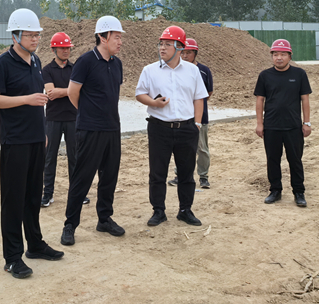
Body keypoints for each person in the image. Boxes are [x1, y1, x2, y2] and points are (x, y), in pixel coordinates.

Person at [0, 9, 64, 279]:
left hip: (36, 139)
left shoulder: (36, 61)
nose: (35, 39)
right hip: (15, 141)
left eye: (37, 35)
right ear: (15, 36)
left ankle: (35, 244)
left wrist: (43, 131)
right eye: (30, 35)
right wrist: (26, 99)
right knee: (13, 200)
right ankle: (12, 257)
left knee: (32, 196)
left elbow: (38, 102)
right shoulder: (2, 64)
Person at [60, 15, 126, 246]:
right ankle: (70, 224)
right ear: (102, 37)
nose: (120, 42)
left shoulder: (117, 64)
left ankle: (104, 219)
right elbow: (72, 92)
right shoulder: (85, 61)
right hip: (90, 129)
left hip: (112, 128)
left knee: (109, 177)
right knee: (82, 177)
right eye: (116, 37)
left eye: (120, 38)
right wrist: (88, 113)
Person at [136, 26, 208, 227]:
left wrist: (197, 124)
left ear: (180, 47)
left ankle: (185, 210)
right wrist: (154, 103)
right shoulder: (149, 70)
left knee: (186, 172)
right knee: (157, 172)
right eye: (161, 44)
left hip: (187, 128)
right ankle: (158, 211)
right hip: (159, 128)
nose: (162, 48)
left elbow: (199, 98)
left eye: (168, 44)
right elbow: (140, 93)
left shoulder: (192, 71)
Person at [254, 39, 312, 208]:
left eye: (283, 54)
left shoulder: (299, 74)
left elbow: (305, 100)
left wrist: (306, 123)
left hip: (293, 126)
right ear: (272, 56)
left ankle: (299, 192)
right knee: (272, 160)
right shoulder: (265, 76)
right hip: (271, 126)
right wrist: (260, 124)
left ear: (289, 56)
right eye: (275, 54)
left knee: (295, 160)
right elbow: (260, 100)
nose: (279, 58)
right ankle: (275, 190)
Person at [41, 32, 85, 208]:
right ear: (54, 50)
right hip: (53, 119)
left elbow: (81, 91)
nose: (66, 51)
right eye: (62, 48)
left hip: (73, 117)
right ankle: (47, 193)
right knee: (50, 157)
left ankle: (77, 193)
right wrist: (71, 90)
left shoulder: (75, 68)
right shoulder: (47, 70)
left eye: (68, 48)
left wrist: (63, 91)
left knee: (75, 157)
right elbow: (51, 93)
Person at [168, 37, 214, 188]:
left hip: (201, 117)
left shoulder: (204, 71)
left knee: (202, 148)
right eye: (183, 52)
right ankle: (179, 175)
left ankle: (203, 177)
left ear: (195, 53)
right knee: (181, 148)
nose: (185, 55)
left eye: (189, 52)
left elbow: (208, 92)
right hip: (182, 117)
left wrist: (197, 104)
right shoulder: (175, 70)